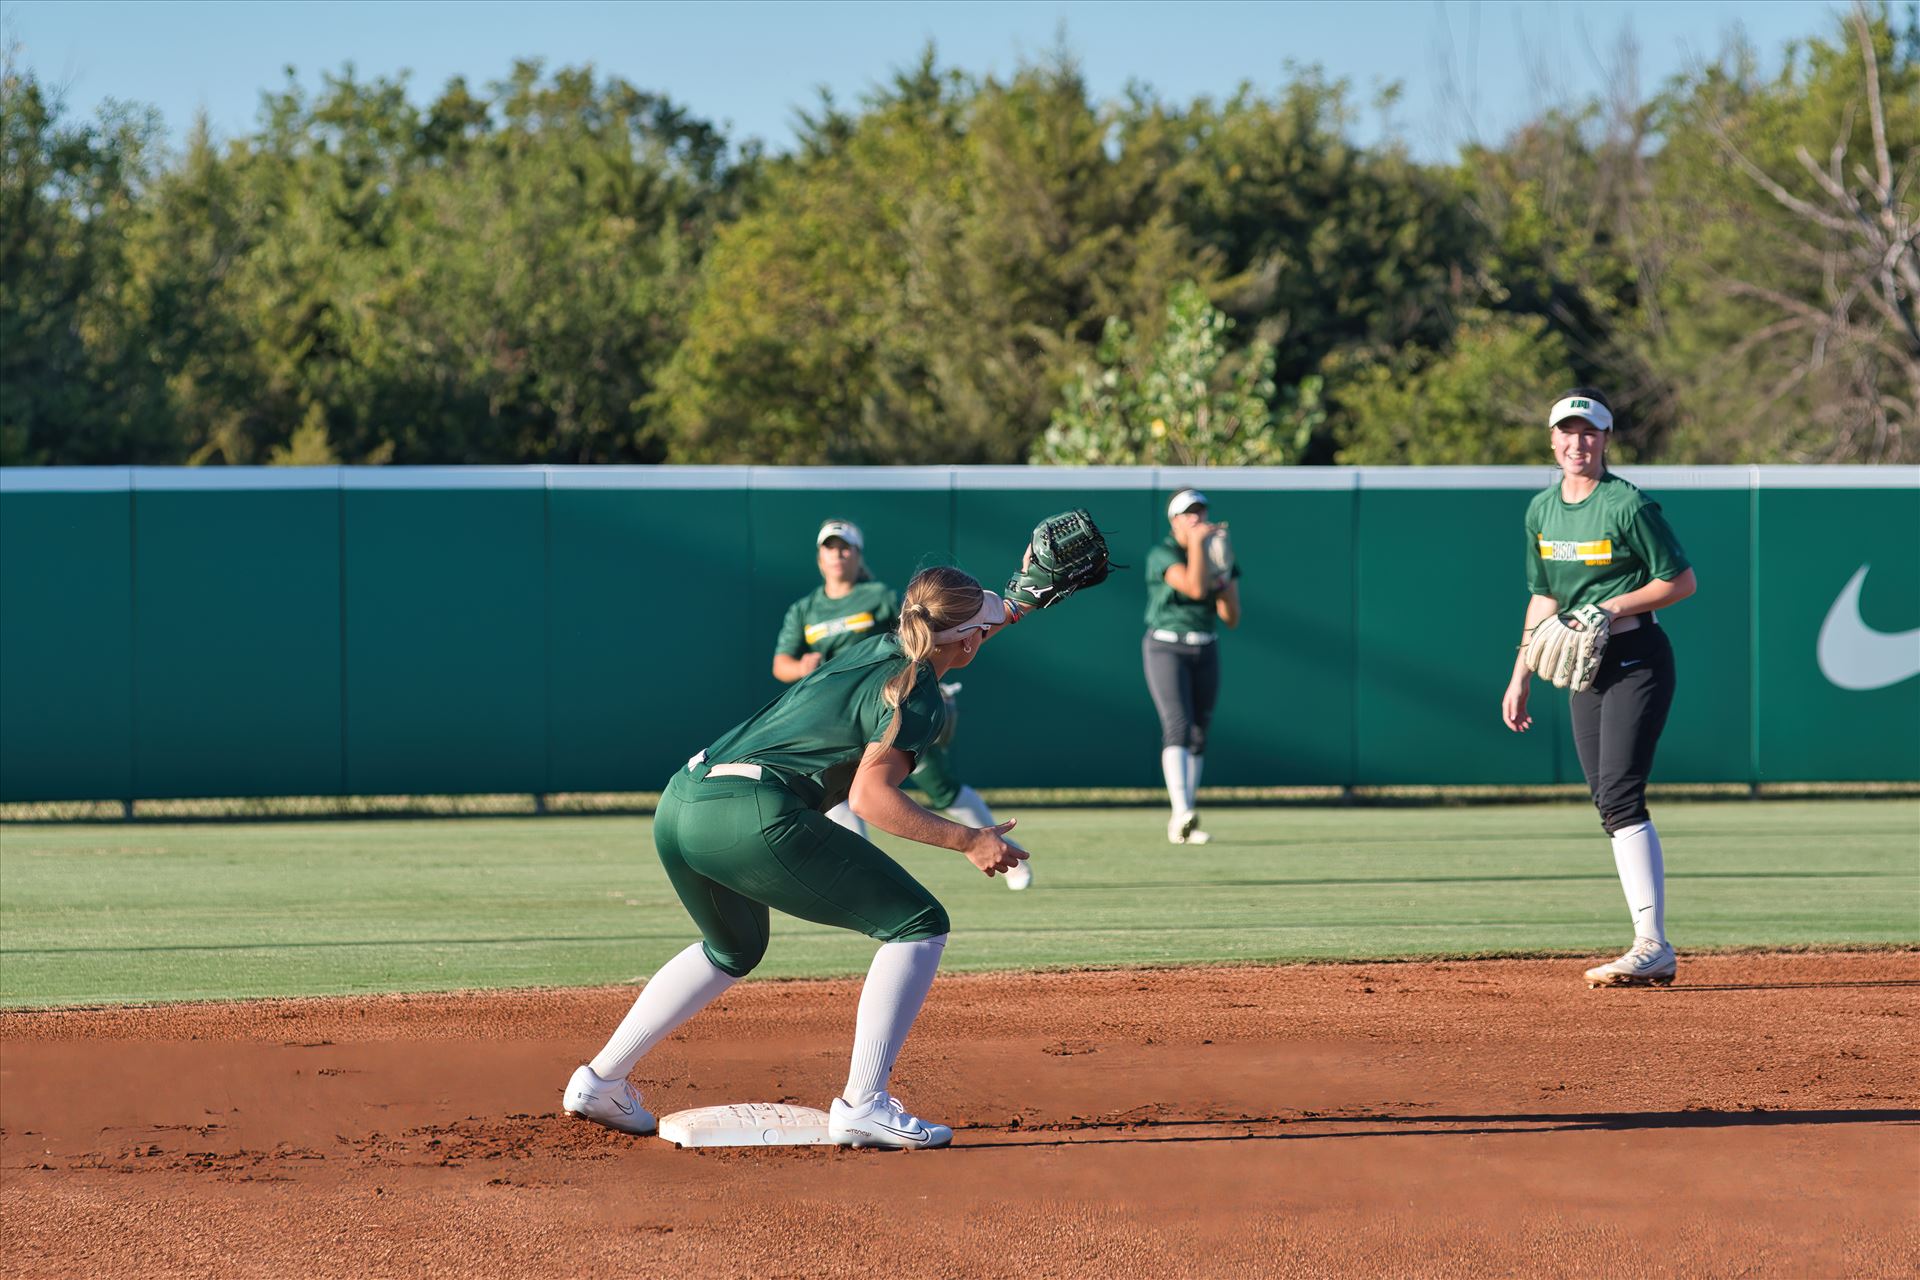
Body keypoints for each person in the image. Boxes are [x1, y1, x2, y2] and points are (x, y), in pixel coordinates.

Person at [564, 566, 1027, 1149]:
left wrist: (1014, 607)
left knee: (733, 947)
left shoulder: (876, 646)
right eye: (981, 630)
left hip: (682, 801)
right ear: (964, 640)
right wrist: (970, 839)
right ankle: (864, 1104)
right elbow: (869, 798)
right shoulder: (920, 698)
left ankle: (601, 1080)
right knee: (919, 925)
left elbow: (950, 631)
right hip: (750, 813)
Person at [1501, 388, 1698, 988]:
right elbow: (1545, 596)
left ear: (1606, 440)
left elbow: (1681, 581)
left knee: (1619, 794)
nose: (1576, 442)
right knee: (1608, 805)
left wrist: (1610, 607)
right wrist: (1520, 674)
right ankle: (1649, 944)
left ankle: (1651, 944)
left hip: (1637, 655)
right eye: (1567, 431)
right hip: (1582, 666)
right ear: (1552, 439)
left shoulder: (1627, 505)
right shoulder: (1541, 511)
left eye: (1588, 432)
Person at [773, 519, 1030, 891]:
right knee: (839, 792)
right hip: (843, 719)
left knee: (941, 787)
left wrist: (926, 685)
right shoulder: (805, 608)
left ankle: (1006, 851)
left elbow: (932, 633)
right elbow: (781, 663)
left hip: (894, 706)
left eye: (845, 547)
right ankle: (862, 884)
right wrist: (800, 666)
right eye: (830, 546)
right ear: (819, 556)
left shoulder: (878, 596)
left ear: (859, 555)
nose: (837, 554)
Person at [1143, 489, 1241, 845]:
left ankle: (1186, 821)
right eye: (1189, 514)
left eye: (1200, 512)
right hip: (1166, 646)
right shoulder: (1162, 553)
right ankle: (1181, 811)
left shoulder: (1215, 553)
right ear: (1174, 521)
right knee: (1178, 724)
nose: (1197, 519)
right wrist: (1201, 548)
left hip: (1205, 646)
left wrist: (1225, 571)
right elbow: (1196, 588)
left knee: (1200, 730)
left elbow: (1231, 617)